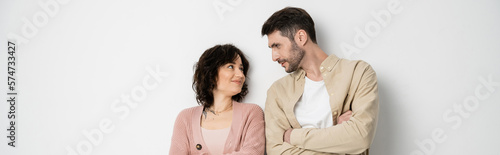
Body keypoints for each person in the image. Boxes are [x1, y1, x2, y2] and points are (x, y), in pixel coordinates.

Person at [261, 7, 379, 154]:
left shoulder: (358, 73)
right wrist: (339, 136)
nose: (274, 57)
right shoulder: (278, 91)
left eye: (277, 46)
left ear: (301, 37)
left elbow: (361, 137)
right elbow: (277, 151)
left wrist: (292, 136)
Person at [169, 44, 265, 155]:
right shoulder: (185, 118)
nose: (241, 75)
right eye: (230, 66)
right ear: (211, 72)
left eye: (241, 69)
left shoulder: (251, 113)